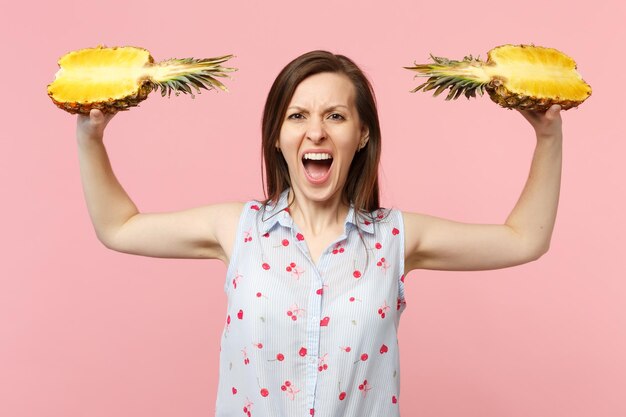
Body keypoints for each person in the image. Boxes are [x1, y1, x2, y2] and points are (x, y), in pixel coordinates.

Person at [75, 50, 563, 417]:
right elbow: (119, 227)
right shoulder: (238, 229)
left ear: (362, 134)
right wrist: (90, 135)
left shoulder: (393, 239)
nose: (316, 133)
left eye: (335, 116)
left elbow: (525, 238)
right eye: (297, 116)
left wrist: (548, 135)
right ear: (277, 136)